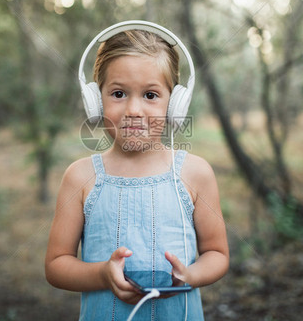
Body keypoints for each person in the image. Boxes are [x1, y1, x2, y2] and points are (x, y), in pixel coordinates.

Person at [45, 22, 229, 321]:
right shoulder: (80, 178)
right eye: (118, 93)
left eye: (151, 95)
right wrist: (103, 275)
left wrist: (190, 274)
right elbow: (56, 265)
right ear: (95, 100)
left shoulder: (195, 174)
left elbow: (217, 254)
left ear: (175, 105)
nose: (134, 110)